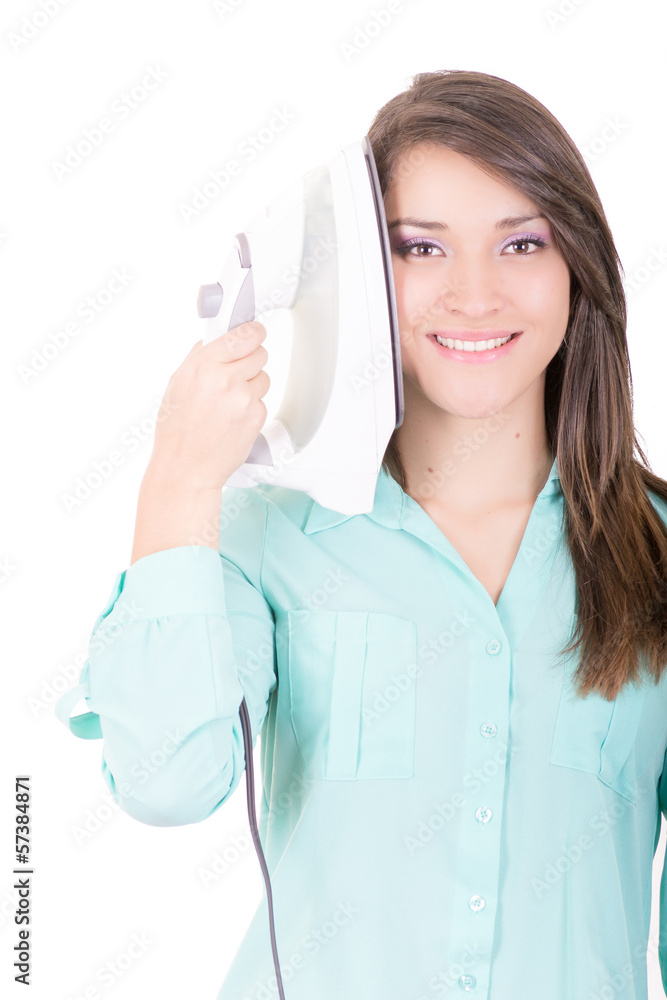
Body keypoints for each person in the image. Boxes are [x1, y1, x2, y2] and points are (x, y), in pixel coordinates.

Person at [56, 70, 667, 1000]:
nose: (472, 294)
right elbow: (163, 782)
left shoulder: (657, 554)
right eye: (421, 247)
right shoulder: (266, 535)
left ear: (575, 266)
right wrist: (178, 480)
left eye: (521, 242)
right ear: (362, 275)